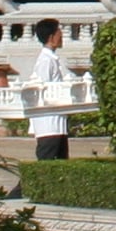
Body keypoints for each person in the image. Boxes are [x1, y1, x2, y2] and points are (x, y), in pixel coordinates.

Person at [26, 17, 73, 161]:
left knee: (60, 158)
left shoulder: (51, 59)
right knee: (47, 157)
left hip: (56, 120)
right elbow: (43, 89)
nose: (62, 36)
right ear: (51, 37)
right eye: (59, 33)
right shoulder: (45, 61)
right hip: (48, 121)